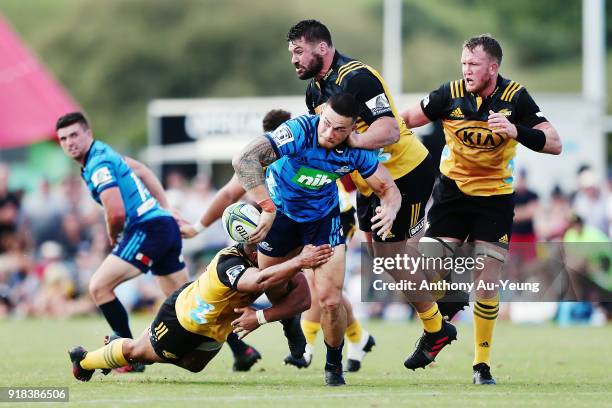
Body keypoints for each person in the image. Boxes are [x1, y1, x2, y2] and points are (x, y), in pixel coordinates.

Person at [287, 19, 462, 372]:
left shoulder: (358, 78)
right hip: (369, 181)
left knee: (390, 256)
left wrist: (354, 142)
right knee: (382, 257)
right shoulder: (315, 92)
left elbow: (389, 130)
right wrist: (346, 191)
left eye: (298, 51)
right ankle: (438, 301)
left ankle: (437, 325)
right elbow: (330, 149)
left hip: (406, 172)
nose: (294, 59)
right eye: (291, 53)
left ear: (322, 48)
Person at [400, 34, 562, 384]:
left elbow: (554, 143)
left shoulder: (515, 97)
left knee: (487, 281)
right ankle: (441, 324)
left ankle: (481, 366)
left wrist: (516, 130)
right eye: (463, 64)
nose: (467, 70)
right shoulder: (448, 94)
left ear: (493, 67)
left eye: (473, 64)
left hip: (495, 199)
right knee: (426, 274)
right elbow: (405, 120)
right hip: (452, 195)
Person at [181, 108, 376, 372]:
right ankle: (357, 338)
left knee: (322, 287)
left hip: (336, 215)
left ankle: (306, 345)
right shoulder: (263, 159)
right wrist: (197, 227)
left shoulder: (304, 147)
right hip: (288, 221)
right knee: (288, 281)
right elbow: (229, 194)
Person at [233, 92, 401, 386]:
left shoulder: (357, 150)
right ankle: (292, 328)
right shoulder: (299, 130)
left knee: (329, 300)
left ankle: (333, 366)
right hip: (281, 214)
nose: (329, 133)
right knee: (272, 283)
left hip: (322, 220)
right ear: (320, 116)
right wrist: (267, 207)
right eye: (326, 123)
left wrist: (390, 208)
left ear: (352, 131)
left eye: (339, 129)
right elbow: (244, 159)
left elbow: (388, 188)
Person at [68, 234, 334, 381]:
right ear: (254, 251)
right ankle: (85, 361)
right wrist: (300, 261)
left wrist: (262, 317)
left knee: (194, 366)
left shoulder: (272, 262)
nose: (280, 256)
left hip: (214, 328)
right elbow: (261, 281)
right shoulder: (229, 264)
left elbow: (302, 300)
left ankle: (117, 348)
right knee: (138, 352)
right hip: (183, 320)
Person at [56, 112, 190, 372]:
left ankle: (129, 356)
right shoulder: (104, 152)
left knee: (99, 287)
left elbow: (115, 212)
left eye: (74, 135)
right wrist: (166, 208)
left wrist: (112, 234)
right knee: (188, 298)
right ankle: (242, 351)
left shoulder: (97, 164)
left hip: (147, 228)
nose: (69, 142)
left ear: (88, 134)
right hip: (161, 225)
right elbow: (141, 170)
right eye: (63, 138)